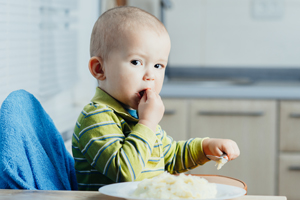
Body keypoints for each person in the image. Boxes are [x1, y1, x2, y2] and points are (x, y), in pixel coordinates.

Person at [72, 6, 240, 191]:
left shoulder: (138, 116)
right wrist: (147, 123)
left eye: (158, 65)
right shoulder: (96, 117)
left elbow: (170, 158)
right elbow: (124, 171)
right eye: (136, 62)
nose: (150, 75)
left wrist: (205, 147)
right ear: (99, 69)